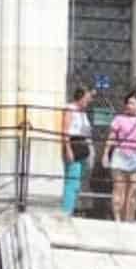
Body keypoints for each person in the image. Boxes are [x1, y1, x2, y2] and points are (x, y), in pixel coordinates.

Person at [104, 91, 136, 223]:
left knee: (133, 192)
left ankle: (129, 218)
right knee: (118, 189)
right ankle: (117, 219)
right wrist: (105, 154)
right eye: (128, 102)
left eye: (132, 103)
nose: (129, 105)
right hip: (120, 155)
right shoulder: (119, 119)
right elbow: (112, 137)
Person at [60, 88, 94, 216]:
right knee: (71, 180)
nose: (88, 101)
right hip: (73, 145)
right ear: (80, 97)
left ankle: (73, 208)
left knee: (78, 181)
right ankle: (66, 211)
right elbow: (65, 130)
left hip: (82, 145)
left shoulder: (83, 113)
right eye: (87, 98)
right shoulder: (70, 109)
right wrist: (68, 149)